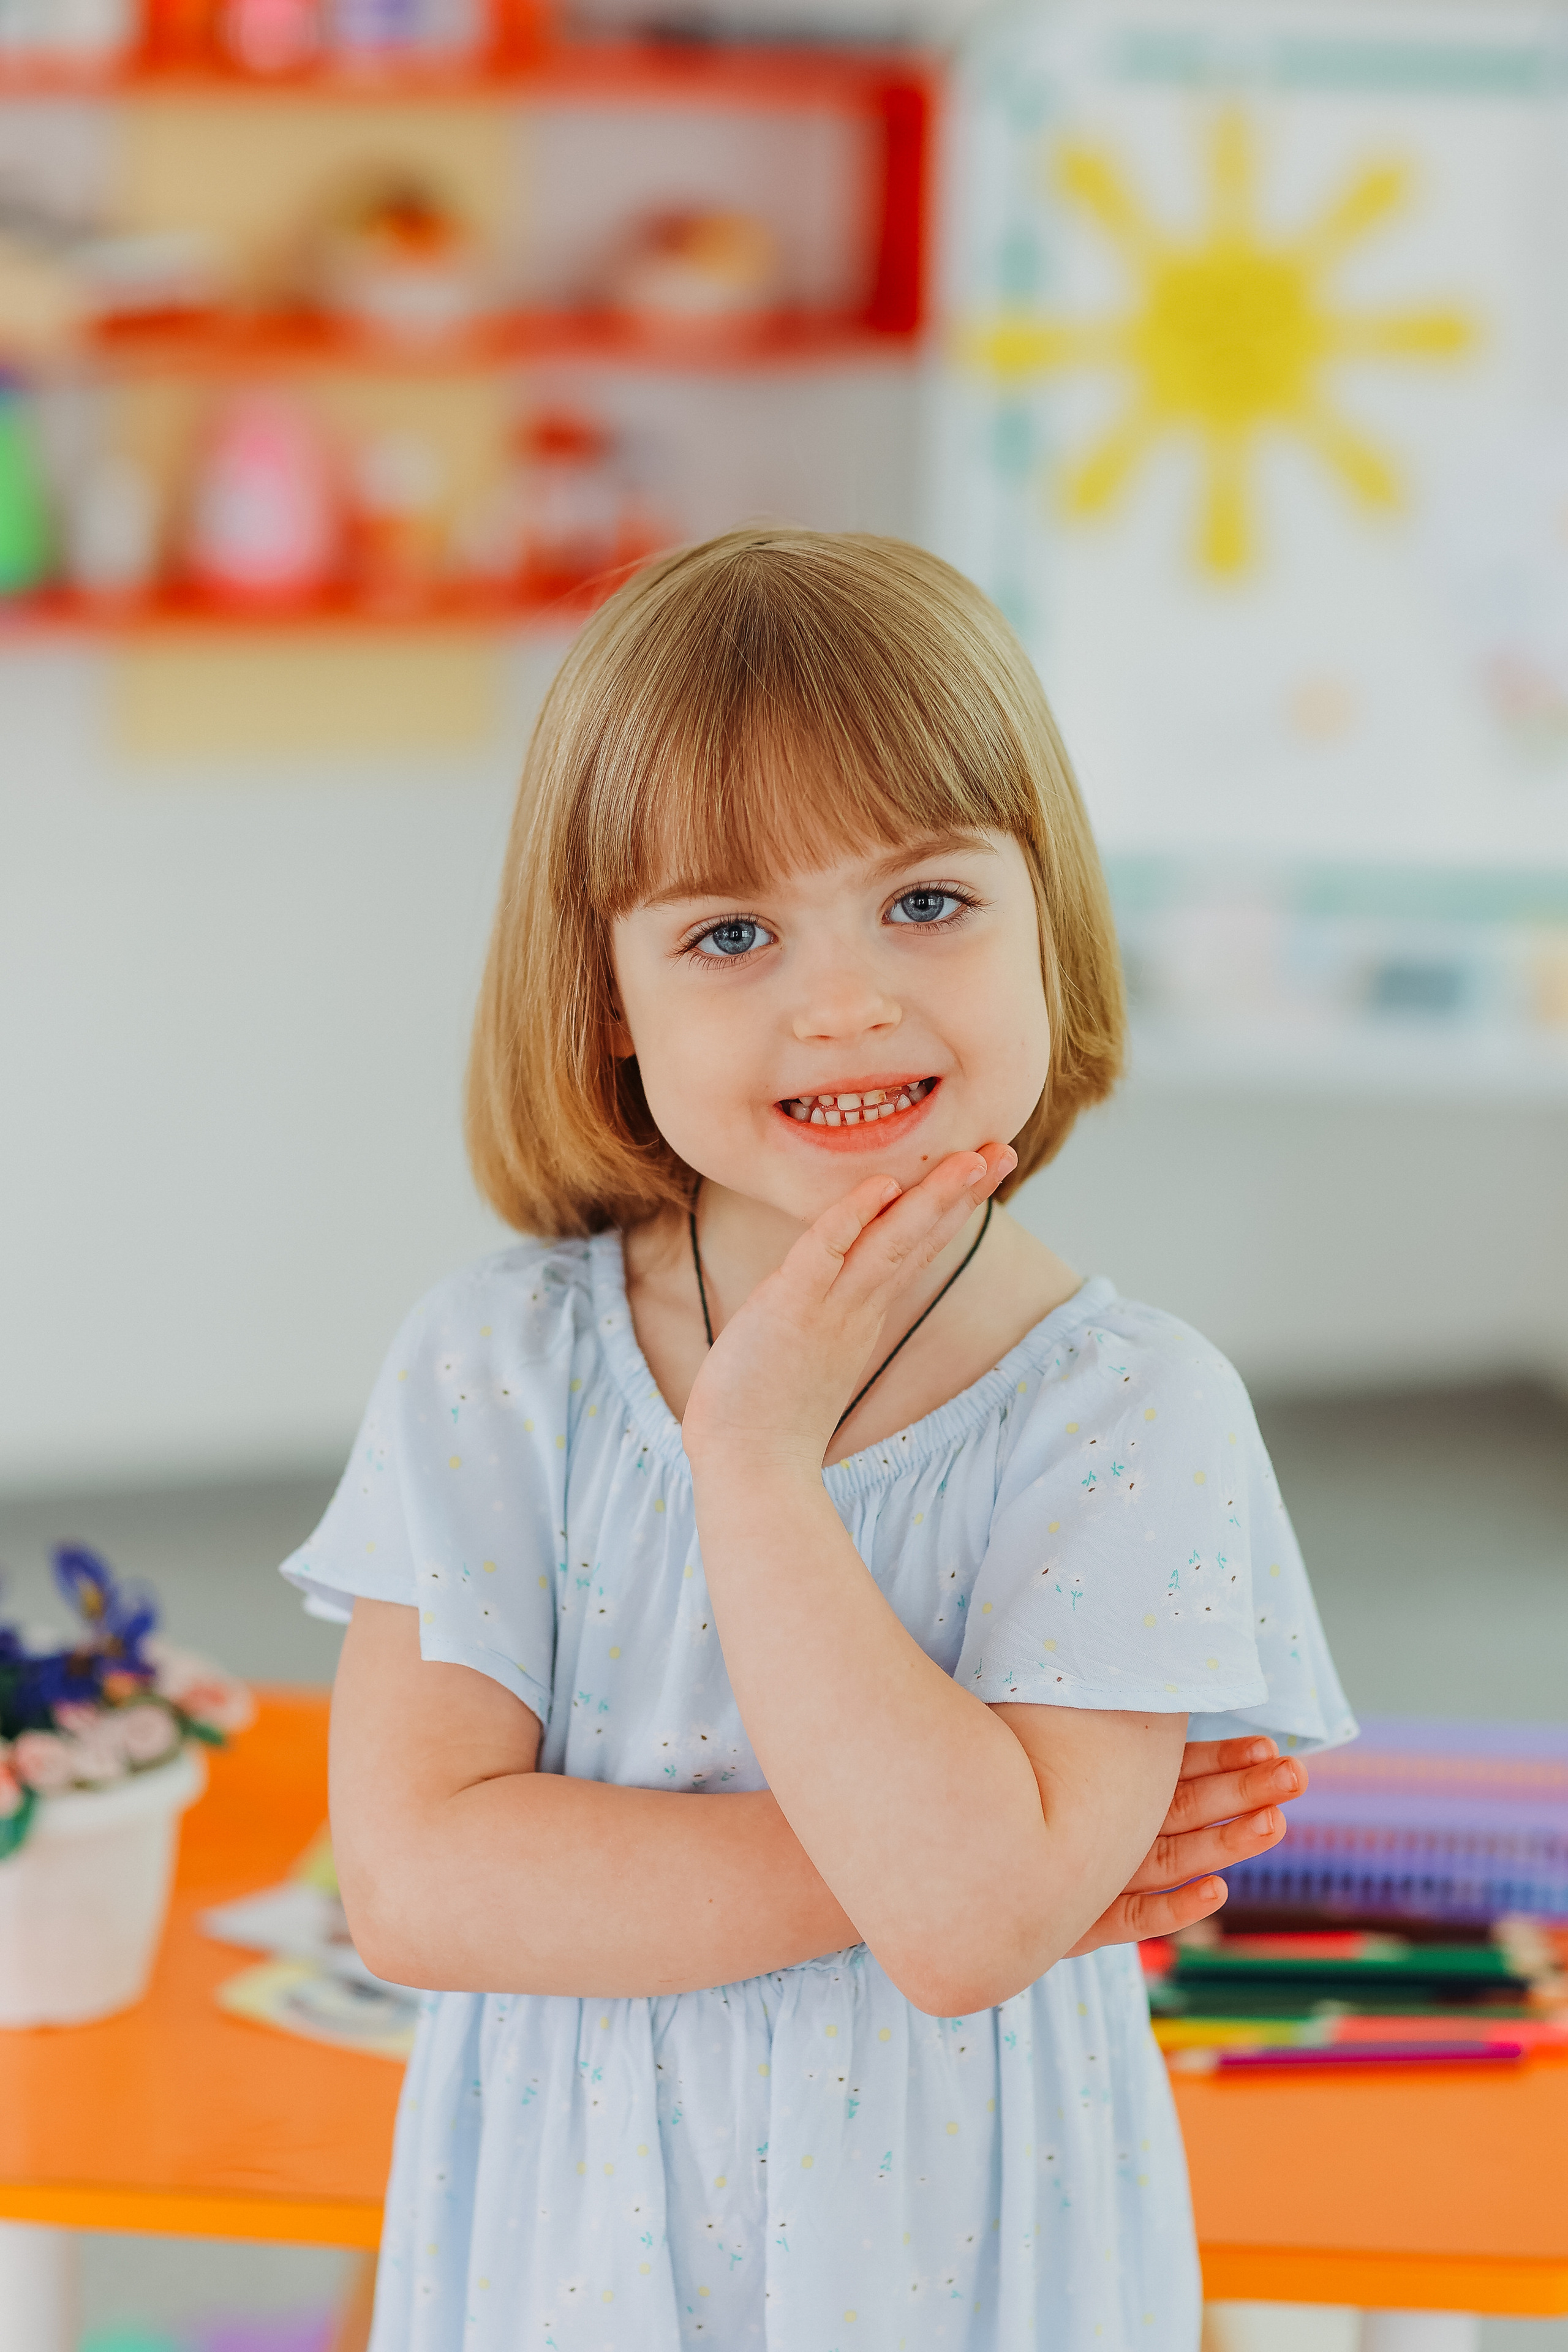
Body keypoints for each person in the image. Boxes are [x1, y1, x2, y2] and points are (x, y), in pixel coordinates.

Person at [284, 527, 1355, 2351]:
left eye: (925, 902)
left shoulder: (1130, 1411)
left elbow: (961, 1934)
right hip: (577, 2260)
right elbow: (419, 1882)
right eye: (730, 933)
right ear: (611, 1003)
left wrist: (757, 1465)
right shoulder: (497, 1364)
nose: (842, 999)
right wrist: (980, 1863)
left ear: (1049, 918)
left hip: (963, 2263)